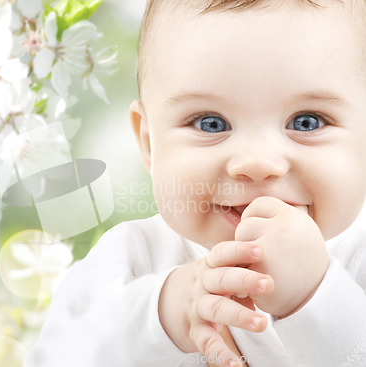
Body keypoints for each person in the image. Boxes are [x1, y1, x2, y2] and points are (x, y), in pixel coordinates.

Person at [23, 0, 366, 366]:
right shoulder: (131, 261)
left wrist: (315, 297)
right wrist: (160, 318)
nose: (256, 164)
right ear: (150, 143)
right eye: (211, 123)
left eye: (307, 122)